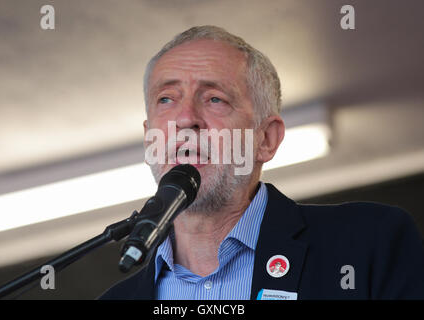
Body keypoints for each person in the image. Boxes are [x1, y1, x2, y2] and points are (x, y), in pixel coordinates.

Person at [99, 26, 424, 300]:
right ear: (148, 137)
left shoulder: (369, 243)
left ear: (266, 139)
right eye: (166, 99)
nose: (185, 119)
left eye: (214, 98)